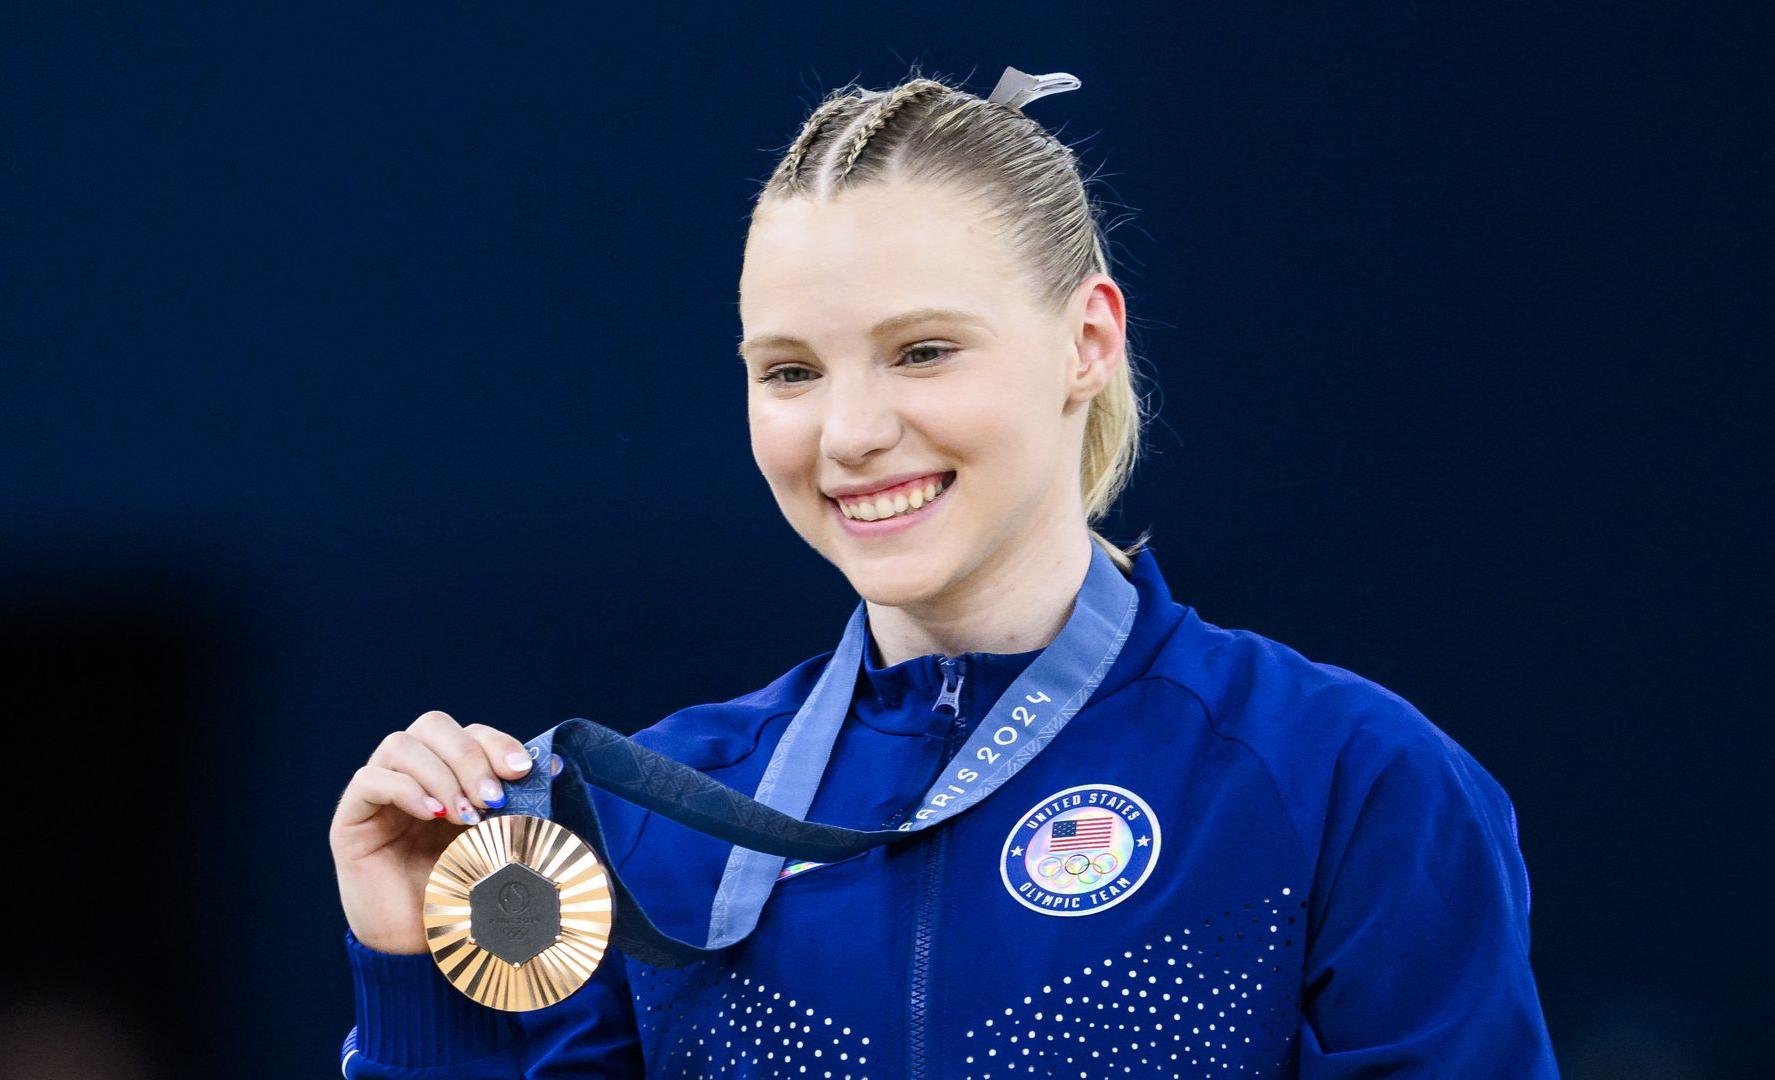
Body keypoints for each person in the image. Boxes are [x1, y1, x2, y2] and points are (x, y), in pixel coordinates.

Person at [328, 69, 1561, 1079]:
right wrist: (411, 974)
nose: (851, 433)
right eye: (791, 371)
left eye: (921, 352)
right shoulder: (652, 818)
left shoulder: (1348, 781)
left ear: (1087, 341)